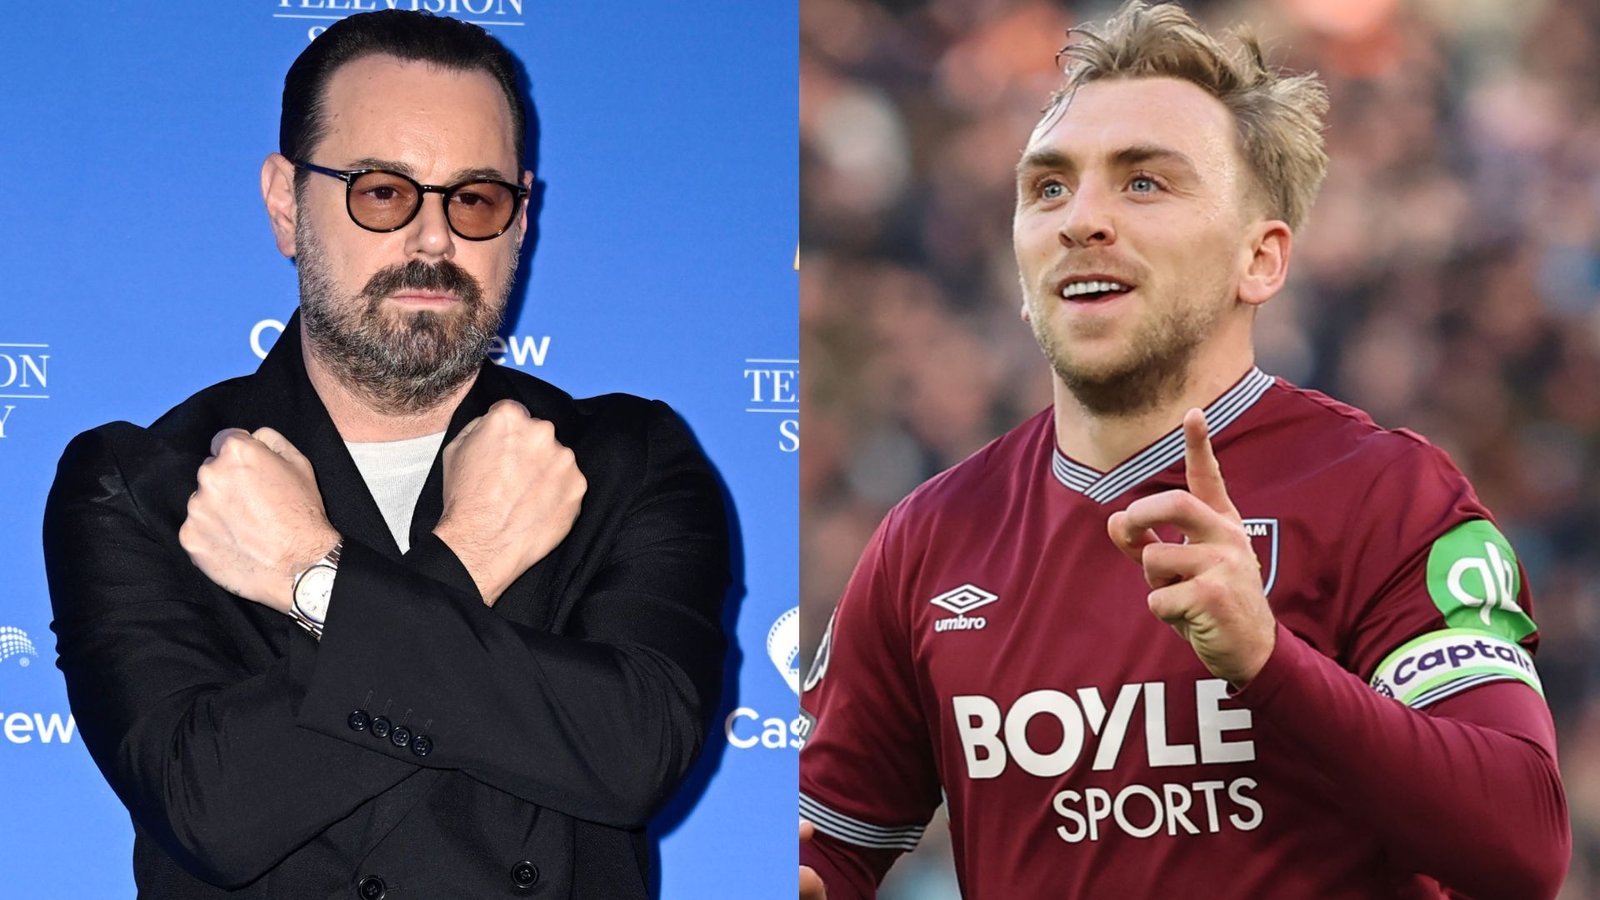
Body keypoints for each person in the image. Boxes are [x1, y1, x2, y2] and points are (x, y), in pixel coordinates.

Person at [797, 2, 1569, 897]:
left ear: (1262, 260)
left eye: (1144, 183)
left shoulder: (1388, 497)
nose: (1080, 219)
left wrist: (1268, 663)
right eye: (1049, 188)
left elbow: (1526, 843)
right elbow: (829, 848)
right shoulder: (927, 539)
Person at [42, 10, 728, 898]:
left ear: (522, 218)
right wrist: (473, 555)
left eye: (475, 199)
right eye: (383, 192)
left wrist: (311, 577)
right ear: (286, 203)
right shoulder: (148, 486)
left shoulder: (620, 458)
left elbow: (634, 752)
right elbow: (211, 804)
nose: (435, 241)